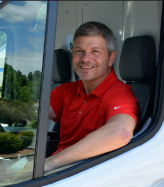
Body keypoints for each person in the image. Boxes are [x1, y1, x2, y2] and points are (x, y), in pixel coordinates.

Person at [44, 21, 140, 173]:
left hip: (87, 174)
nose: (85, 59)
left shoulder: (119, 94)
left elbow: (120, 133)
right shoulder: (66, 90)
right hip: (63, 170)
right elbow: (33, 113)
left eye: (95, 51)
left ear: (111, 58)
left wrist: (49, 163)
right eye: (79, 51)